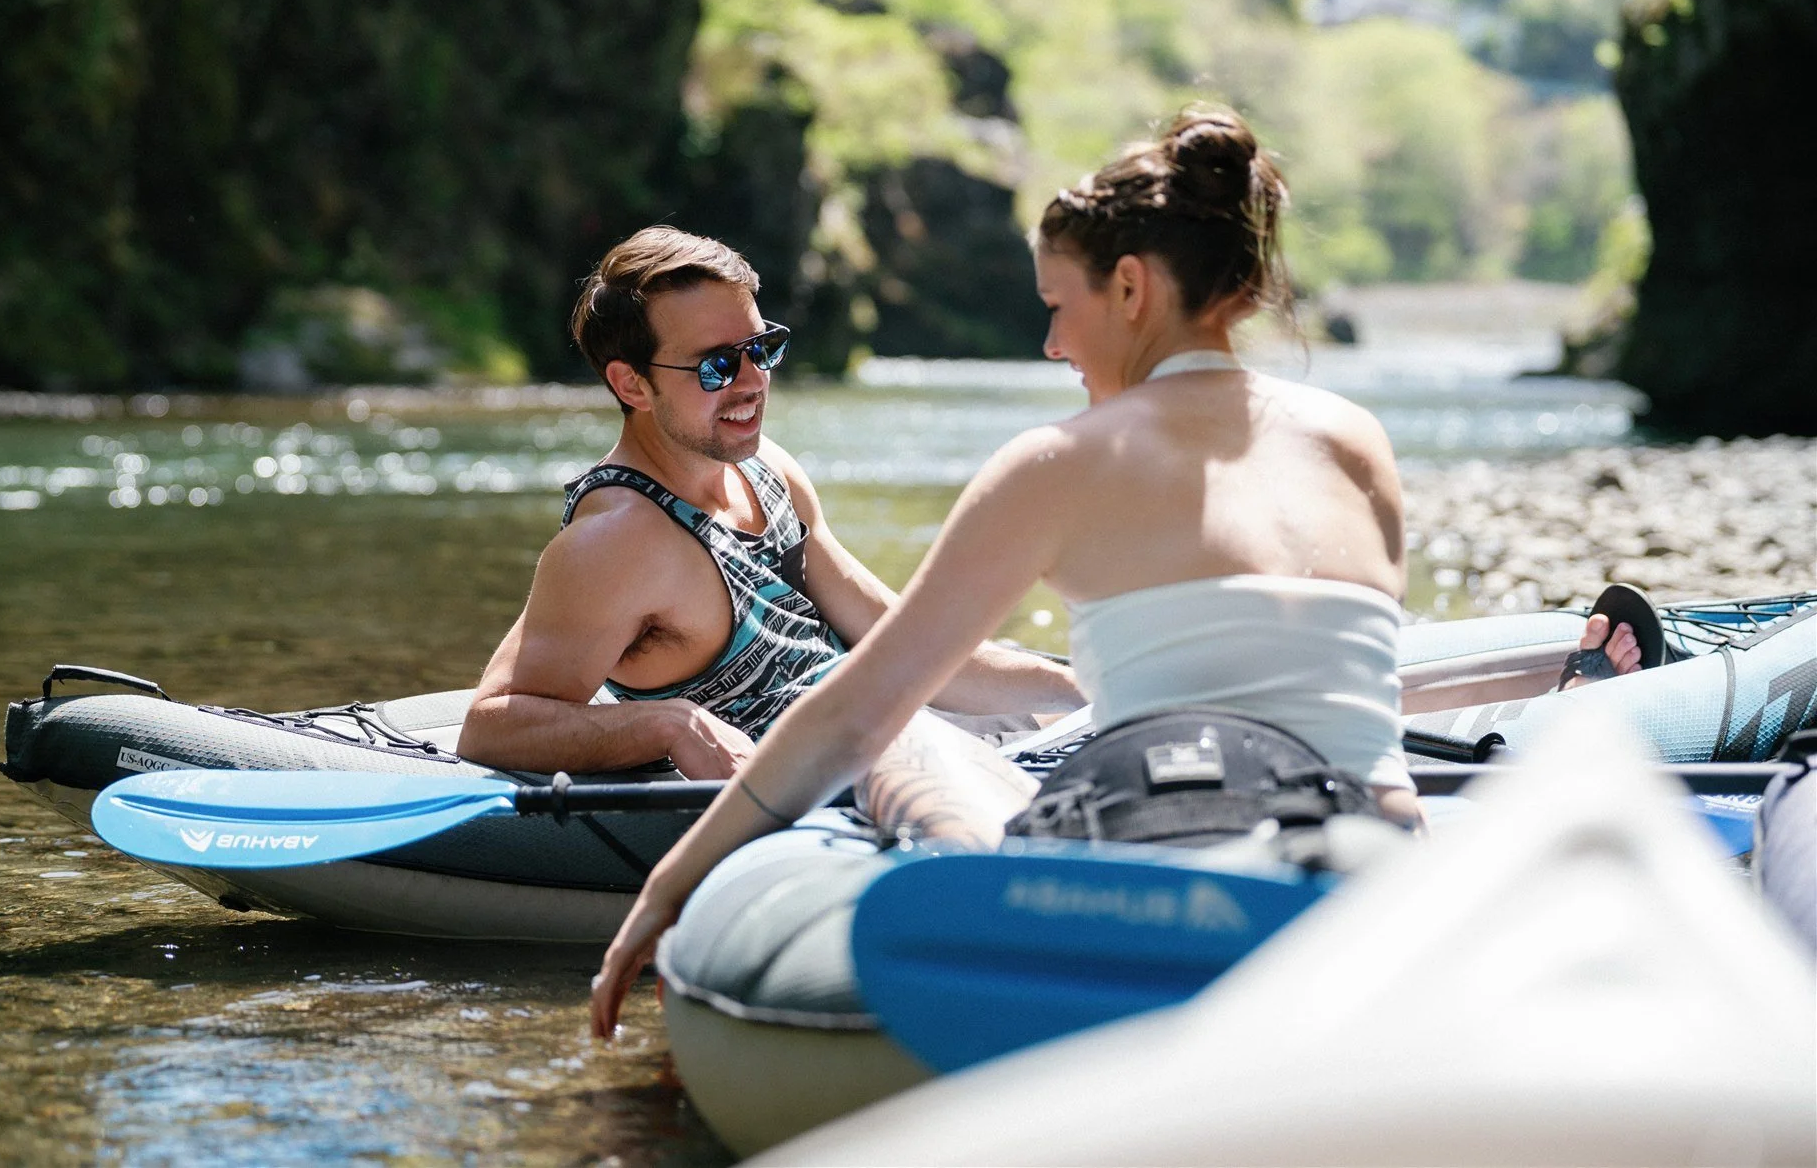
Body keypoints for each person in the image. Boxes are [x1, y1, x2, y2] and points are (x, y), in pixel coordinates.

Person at [589, 106, 1643, 1037]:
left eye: (1058, 305)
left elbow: (850, 717)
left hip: (1176, 876)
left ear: (1130, 287)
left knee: (911, 734)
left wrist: (671, 888)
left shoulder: (1058, 463)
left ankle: (952, 903)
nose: (1051, 344)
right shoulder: (1353, 438)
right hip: (1378, 863)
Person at [455, 225, 1085, 781]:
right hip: (845, 790)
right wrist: (669, 726)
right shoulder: (616, 542)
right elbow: (490, 728)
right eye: (716, 366)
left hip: (903, 730)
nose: (753, 381)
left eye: (761, 349)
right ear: (632, 384)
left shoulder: (767, 470)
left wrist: (1083, 687)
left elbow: (899, 643)